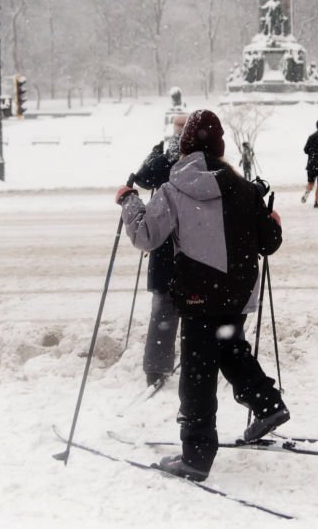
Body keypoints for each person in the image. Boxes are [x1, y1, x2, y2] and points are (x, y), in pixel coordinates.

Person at [117, 109, 289, 481]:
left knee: (198, 372)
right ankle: (267, 404)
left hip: (199, 292)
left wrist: (129, 201)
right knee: (228, 345)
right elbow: (269, 243)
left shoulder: (174, 188)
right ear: (219, 146)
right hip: (238, 291)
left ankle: (196, 456)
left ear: (185, 146)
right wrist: (272, 222)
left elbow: (146, 236)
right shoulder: (243, 188)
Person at [132, 114, 187, 387]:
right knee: (197, 309)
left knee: (164, 310)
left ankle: (157, 368)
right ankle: (196, 363)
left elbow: (142, 178)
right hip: (194, 247)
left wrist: (157, 155)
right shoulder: (200, 163)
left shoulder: (165, 163)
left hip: (165, 245)